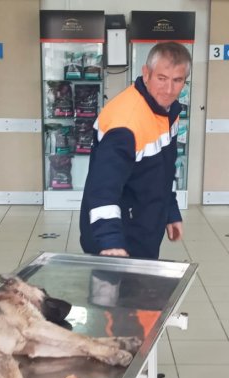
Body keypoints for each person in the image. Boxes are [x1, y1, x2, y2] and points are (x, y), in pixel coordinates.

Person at [79, 42, 190, 259]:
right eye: (162, 78)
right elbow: (102, 188)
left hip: (145, 228)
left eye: (177, 80)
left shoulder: (168, 112)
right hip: (116, 237)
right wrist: (110, 241)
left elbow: (165, 170)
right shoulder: (126, 124)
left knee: (143, 291)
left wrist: (170, 211)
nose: (169, 90)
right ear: (146, 73)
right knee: (118, 293)